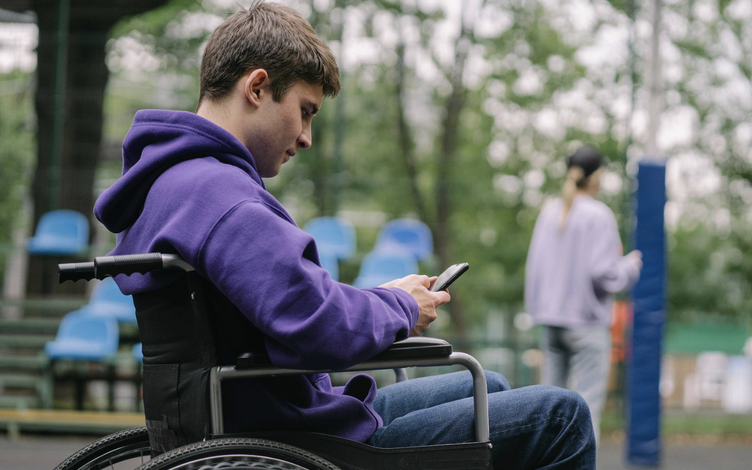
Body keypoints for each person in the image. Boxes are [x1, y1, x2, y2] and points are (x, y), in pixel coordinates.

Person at [94, 2, 595, 468]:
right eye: (306, 110)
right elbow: (313, 323)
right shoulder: (221, 196)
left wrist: (383, 298)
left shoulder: (177, 182)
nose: (307, 137)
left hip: (262, 415)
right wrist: (399, 308)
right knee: (562, 414)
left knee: (497, 387)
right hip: (291, 440)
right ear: (257, 87)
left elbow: (286, 303)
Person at [525, 146, 643, 443]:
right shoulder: (597, 214)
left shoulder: (550, 212)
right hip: (586, 326)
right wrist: (629, 267)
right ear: (596, 176)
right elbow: (604, 275)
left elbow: (534, 269)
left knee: (549, 412)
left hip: (551, 322)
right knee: (586, 412)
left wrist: (539, 310)